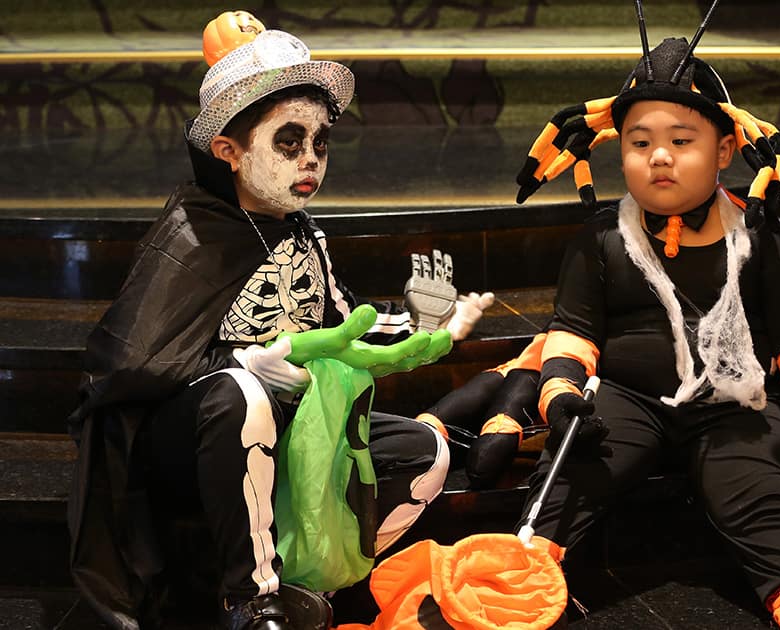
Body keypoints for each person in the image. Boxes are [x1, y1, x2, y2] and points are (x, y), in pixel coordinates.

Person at [67, 14, 492, 630]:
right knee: (242, 395)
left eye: (319, 142)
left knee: (425, 449)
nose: (310, 159)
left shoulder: (302, 233)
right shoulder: (193, 237)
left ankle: (311, 578)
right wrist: (242, 363)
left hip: (289, 435)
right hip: (192, 447)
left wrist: (431, 326)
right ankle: (252, 598)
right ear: (229, 152)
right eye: (288, 142)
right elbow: (127, 362)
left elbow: (346, 329)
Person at [513, 37, 780, 630]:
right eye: (640, 143)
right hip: (628, 396)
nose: (658, 157)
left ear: (724, 150)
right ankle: (520, 580)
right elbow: (573, 330)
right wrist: (562, 396)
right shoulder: (601, 237)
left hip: (733, 401)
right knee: (569, 476)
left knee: (757, 491)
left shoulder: (763, 237)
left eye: (680, 141)